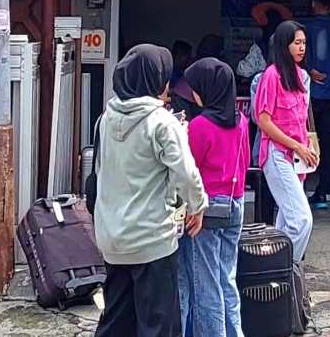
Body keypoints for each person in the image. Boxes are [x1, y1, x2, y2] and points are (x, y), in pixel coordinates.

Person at [94, 45, 208, 337]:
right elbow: (185, 173)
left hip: (113, 238)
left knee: (117, 322)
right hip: (151, 240)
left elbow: (98, 173)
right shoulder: (162, 123)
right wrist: (197, 206)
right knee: (158, 326)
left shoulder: (105, 119)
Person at [178, 58, 250, 337]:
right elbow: (243, 162)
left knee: (205, 284)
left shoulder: (200, 126)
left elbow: (188, 171)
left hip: (204, 210)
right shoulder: (241, 120)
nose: (193, 93)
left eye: (195, 87)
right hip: (235, 203)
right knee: (226, 278)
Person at [254, 20, 319, 263]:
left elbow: (302, 120)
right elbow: (264, 121)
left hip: (296, 156)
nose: (302, 48)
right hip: (277, 153)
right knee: (302, 219)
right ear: (284, 45)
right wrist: (297, 146)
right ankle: (285, 268)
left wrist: (307, 147)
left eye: (303, 43)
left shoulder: (302, 76)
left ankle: (277, 277)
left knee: (287, 219)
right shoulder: (271, 76)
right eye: (296, 43)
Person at [304, 0, 330, 209]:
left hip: (310, 96)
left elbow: (301, 58)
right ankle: (324, 191)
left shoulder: (307, 28)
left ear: (313, 4)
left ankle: (303, 188)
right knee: (327, 144)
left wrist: (309, 70)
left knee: (304, 141)